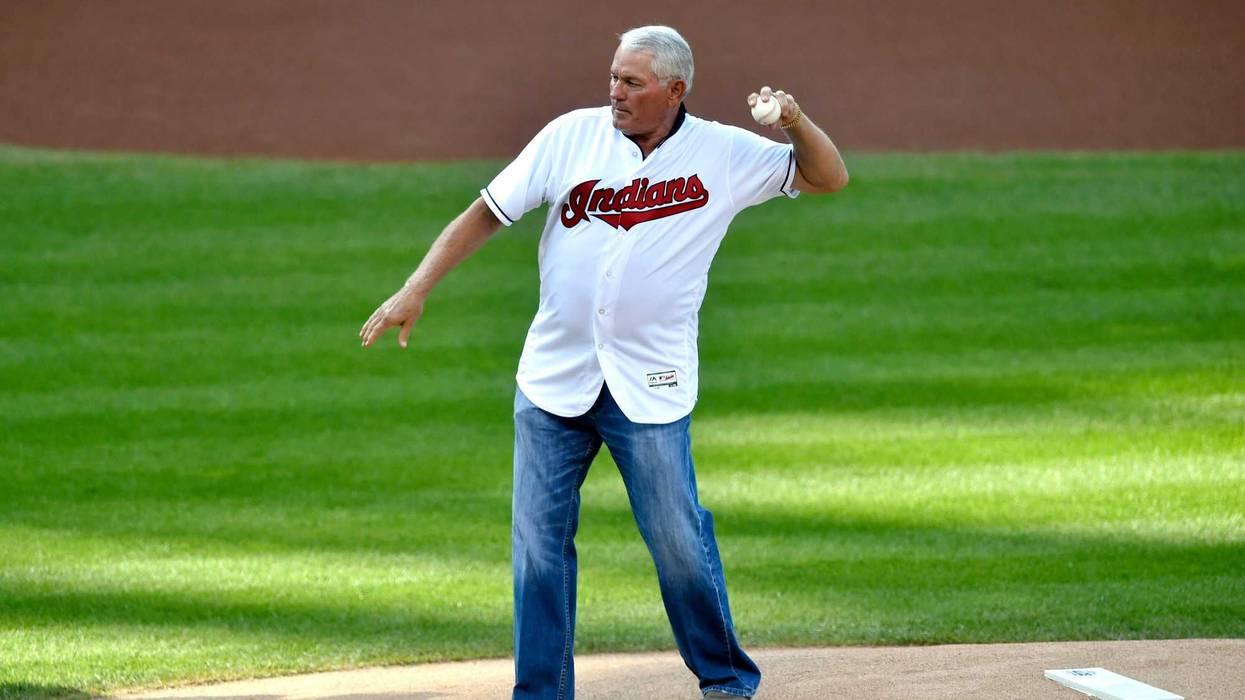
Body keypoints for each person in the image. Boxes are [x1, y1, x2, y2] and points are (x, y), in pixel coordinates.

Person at [360, 24, 848, 700]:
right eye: (614, 76)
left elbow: (828, 177)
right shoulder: (570, 136)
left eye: (632, 82)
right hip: (554, 379)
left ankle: (727, 681)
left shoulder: (725, 154)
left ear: (674, 91)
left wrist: (793, 121)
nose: (614, 91)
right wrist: (415, 288)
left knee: (678, 539)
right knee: (537, 550)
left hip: (649, 383)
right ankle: (540, 694)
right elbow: (486, 211)